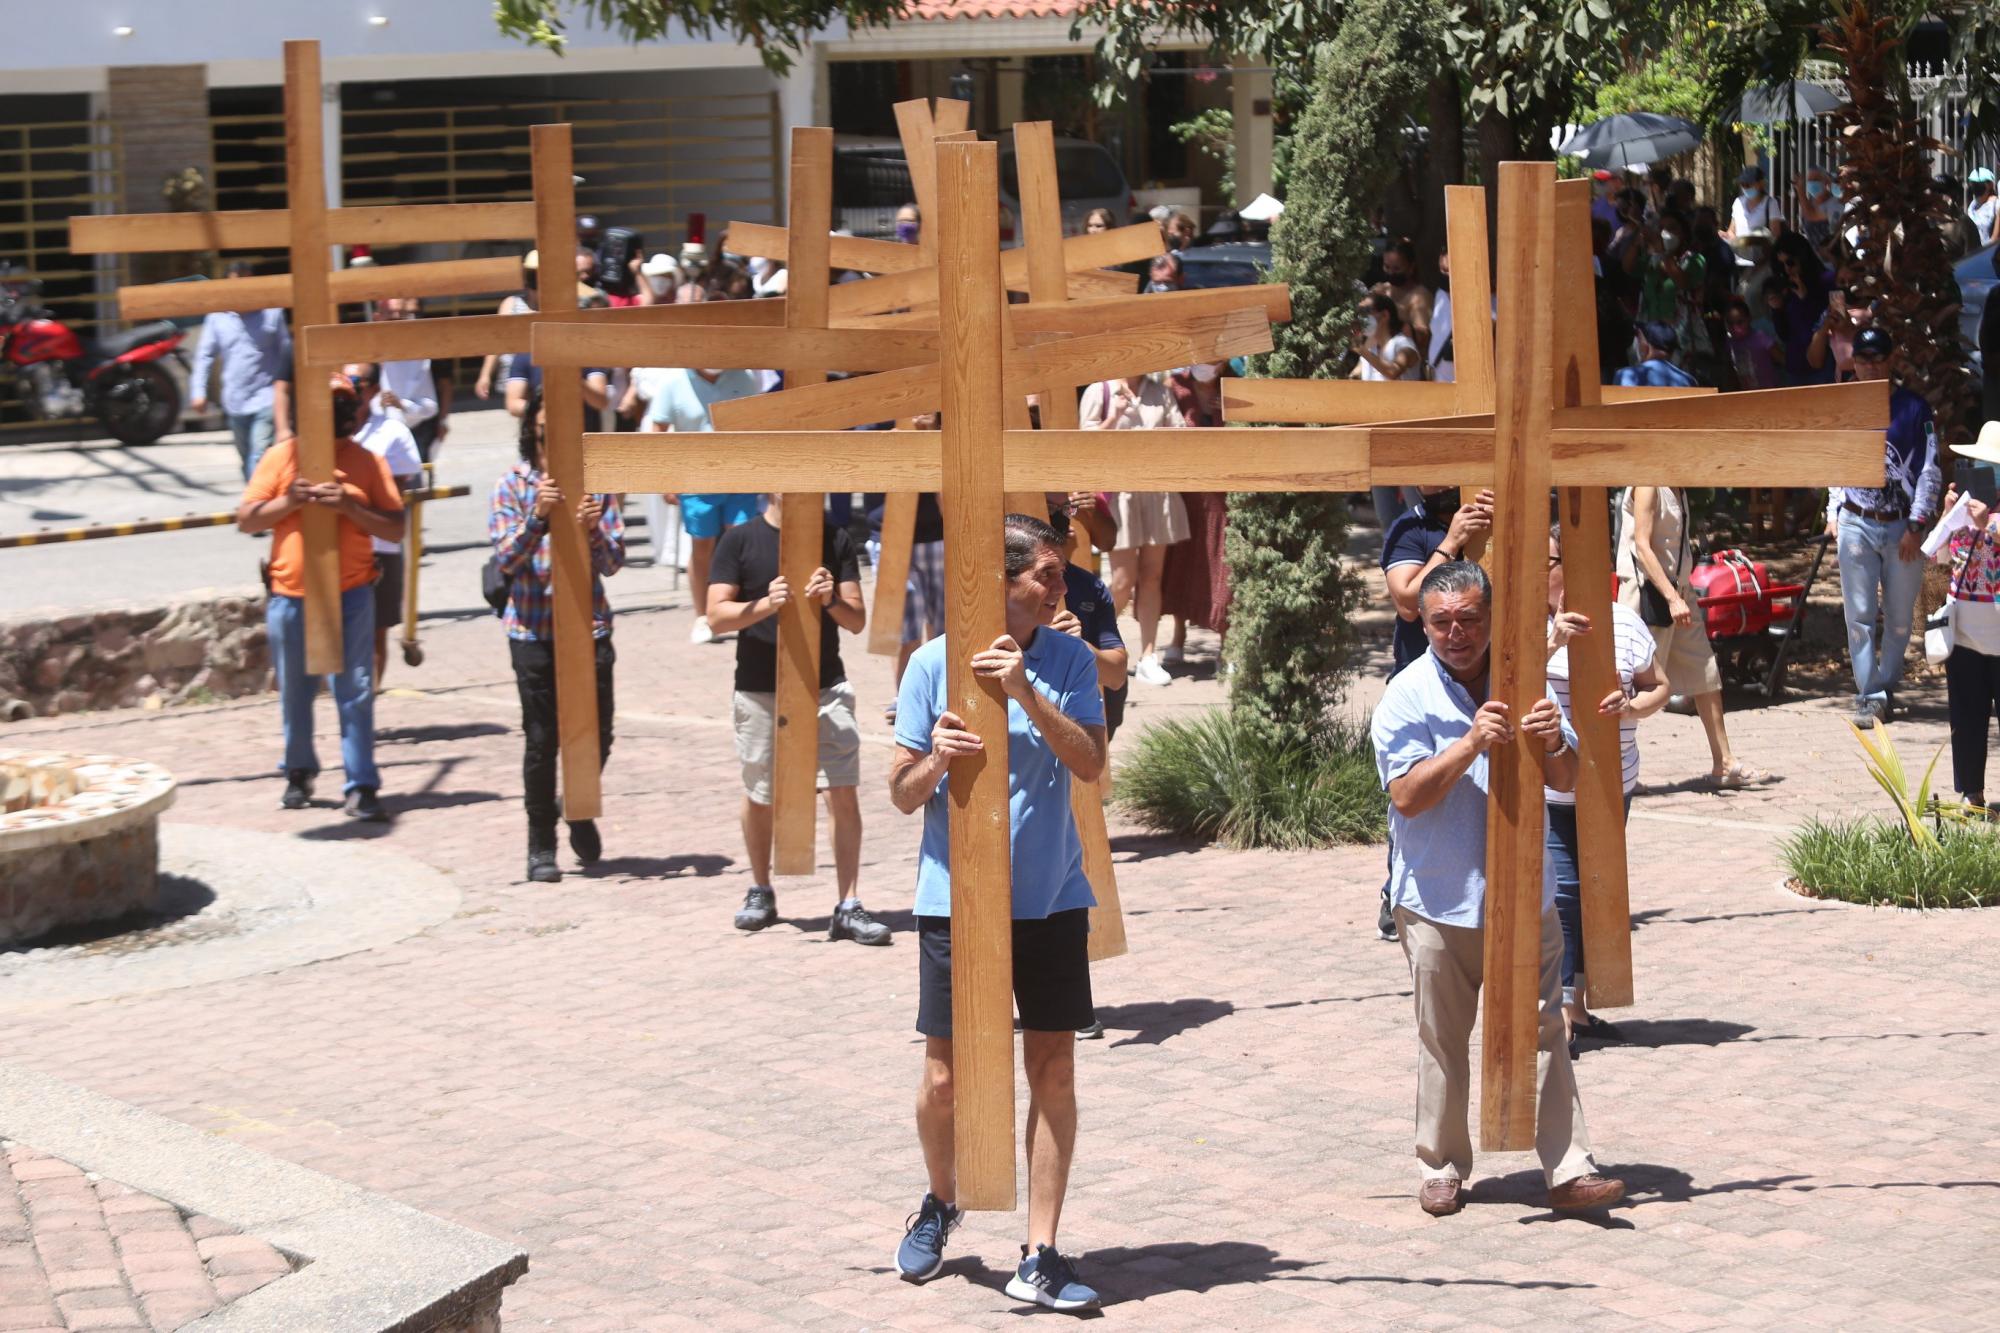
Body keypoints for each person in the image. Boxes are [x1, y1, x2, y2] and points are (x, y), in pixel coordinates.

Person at [890, 514, 1107, 1310]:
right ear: (1004, 576)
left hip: (1051, 897)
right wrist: (937, 762)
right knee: (945, 1079)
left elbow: (1091, 763)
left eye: (1062, 575)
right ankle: (941, 1201)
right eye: (1046, 575)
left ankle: (1041, 1248)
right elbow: (901, 791)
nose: (1060, 588)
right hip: (956, 900)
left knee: (1051, 1067)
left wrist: (1026, 692)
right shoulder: (930, 663)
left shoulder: (1071, 658)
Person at [1371, 559, 1624, 1218]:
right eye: (1441, 621)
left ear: (1491, 618)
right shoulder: (1406, 692)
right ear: (1422, 623)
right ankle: (1442, 1165)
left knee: (1545, 1032)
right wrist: (1469, 744)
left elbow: (1567, 776)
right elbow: (1407, 794)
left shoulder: (1526, 679)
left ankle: (1570, 1169)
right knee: (1442, 1039)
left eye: (1469, 619)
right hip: (1435, 900)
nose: (1456, 633)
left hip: (1524, 898)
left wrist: (1550, 743)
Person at [707, 496, 885, 943]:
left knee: (842, 789)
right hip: (758, 685)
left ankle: (848, 903)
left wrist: (828, 601)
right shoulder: (740, 539)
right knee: (759, 790)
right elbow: (715, 616)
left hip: (825, 685)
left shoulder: (835, 536)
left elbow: (857, 619)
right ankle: (760, 888)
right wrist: (766, 604)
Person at [235, 372, 405, 820]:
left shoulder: (366, 461)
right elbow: (247, 520)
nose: (327, 415)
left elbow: (395, 527)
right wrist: (289, 501)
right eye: (319, 406)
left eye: (338, 406)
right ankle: (298, 771)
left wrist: (349, 505)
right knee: (294, 688)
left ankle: (362, 784)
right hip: (290, 595)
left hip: (350, 593)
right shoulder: (280, 457)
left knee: (355, 689)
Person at [1543, 524, 1669, 1051]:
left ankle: (1581, 1006)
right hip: (1553, 786)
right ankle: (1565, 1010)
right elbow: (1502, 686)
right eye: (1555, 565)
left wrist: (1632, 707)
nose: (1565, 577)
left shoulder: (1624, 622)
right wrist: (1550, 642)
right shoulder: (1528, 627)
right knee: (1565, 894)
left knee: (1597, 890)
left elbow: (1659, 686)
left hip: (1613, 782)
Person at [489, 390, 622, 882]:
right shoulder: (512, 485)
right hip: (533, 630)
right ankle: (540, 842)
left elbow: (612, 562)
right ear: (534, 433)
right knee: (542, 740)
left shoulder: (596, 486)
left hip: (589, 627)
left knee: (599, 732)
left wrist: (593, 530)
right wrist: (538, 518)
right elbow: (505, 558)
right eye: (547, 432)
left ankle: (579, 807)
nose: (555, 441)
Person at [1375, 486, 1493, 943]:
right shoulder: (1411, 527)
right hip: (1426, 685)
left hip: (1486, 675)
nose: (1428, 480)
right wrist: (1451, 541)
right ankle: (1402, 896)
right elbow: (1406, 601)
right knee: (1422, 794)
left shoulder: (1498, 513)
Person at [1825, 327, 1943, 723]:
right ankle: (1869, 693)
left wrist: (1916, 525)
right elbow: (1836, 462)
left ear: (1891, 361)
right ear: (1853, 362)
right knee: (1858, 613)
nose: (1870, 367)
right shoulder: (1845, 406)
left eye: (1878, 359)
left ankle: (1886, 686)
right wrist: (1833, 513)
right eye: (1863, 360)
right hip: (1857, 520)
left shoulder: (1913, 408)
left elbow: (1929, 470)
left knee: (1898, 617)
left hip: (1900, 526)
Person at [1618, 486, 1764, 787]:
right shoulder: (1649, 484)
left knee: (1705, 673)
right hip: (1649, 596)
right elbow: (1643, 548)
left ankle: (1723, 763)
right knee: (1631, 683)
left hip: (1679, 595)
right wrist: (1672, 598)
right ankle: (1617, 769)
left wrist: (1679, 595)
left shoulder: (1678, 486)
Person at [641, 366, 767, 642]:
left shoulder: (743, 378)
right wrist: (665, 479)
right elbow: (658, 431)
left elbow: (756, 424)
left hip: (739, 476)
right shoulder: (672, 383)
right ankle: (703, 617)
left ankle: (747, 613)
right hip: (695, 479)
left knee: (744, 542)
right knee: (702, 546)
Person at [1080, 375, 1188, 685]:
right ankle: (1092, 648)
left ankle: (1148, 656)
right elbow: (1082, 444)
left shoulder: (1160, 392)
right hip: (1118, 496)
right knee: (1123, 581)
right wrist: (1114, 416)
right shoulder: (1098, 389)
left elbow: (1179, 434)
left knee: (1152, 577)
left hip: (1157, 492)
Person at [1930, 426, 2000, 808]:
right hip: (1964, 636)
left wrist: (1987, 522)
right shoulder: (1964, 511)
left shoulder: (1989, 516)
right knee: (1967, 717)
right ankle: (1971, 793)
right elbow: (1935, 555)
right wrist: (1948, 514)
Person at [341, 363, 423, 687]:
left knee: (375, 631)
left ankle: (366, 708)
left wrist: (352, 500)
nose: (349, 388)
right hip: (337, 544)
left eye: (356, 382)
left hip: (378, 547)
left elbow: (395, 495)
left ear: (374, 389)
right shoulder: (326, 431)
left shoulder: (392, 432)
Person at [190, 265, 292, 479]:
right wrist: (198, 392)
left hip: (266, 399)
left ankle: (258, 504)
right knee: (246, 458)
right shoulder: (217, 318)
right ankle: (256, 503)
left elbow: (287, 352)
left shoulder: (272, 313)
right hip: (235, 402)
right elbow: (205, 356)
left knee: (258, 457)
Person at [370, 298, 445, 462]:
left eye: (402, 316)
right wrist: (376, 403)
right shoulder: (362, 351)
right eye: (391, 316)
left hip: (412, 436)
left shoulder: (418, 357)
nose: (397, 321)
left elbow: (431, 406)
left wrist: (402, 405)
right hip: (372, 439)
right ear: (377, 318)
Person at [1373, 238, 1433, 351]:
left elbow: (1422, 336)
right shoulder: (1381, 289)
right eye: (1387, 267)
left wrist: (1393, 322)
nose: (1391, 273)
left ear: (1411, 268)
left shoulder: (1420, 296)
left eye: (1397, 269)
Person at [1614, 321, 1697, 390]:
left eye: (1639, 340)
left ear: (1645, 345)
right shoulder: (1688, 381)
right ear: (1672, 352)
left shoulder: (1625, 375)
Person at [1725, 296, 1782, 390]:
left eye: (1740, 322)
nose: (1736, 328)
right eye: (1731, 323)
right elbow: (1730, 372)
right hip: (1746, 396)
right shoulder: (1730, 344)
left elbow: (1782, 360)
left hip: (1769, 392)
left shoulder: (1761, 338)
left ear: (1749, 319)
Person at [1728, 164, 1777, 240]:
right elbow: (1731, 231)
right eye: (1742, 184)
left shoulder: (1771, 204)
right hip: (1739, 251)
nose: (1745, 187)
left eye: (1748, 184)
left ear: (1760, 184)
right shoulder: (1738, 202)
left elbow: (1775, 235)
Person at [1969, 168, 1999, 249]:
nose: (1975, 186)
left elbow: (1995, 239)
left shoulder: (1996, 205)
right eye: (1973, 183)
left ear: (1990, 185)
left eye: (1979, 183)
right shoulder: (1973, 204)